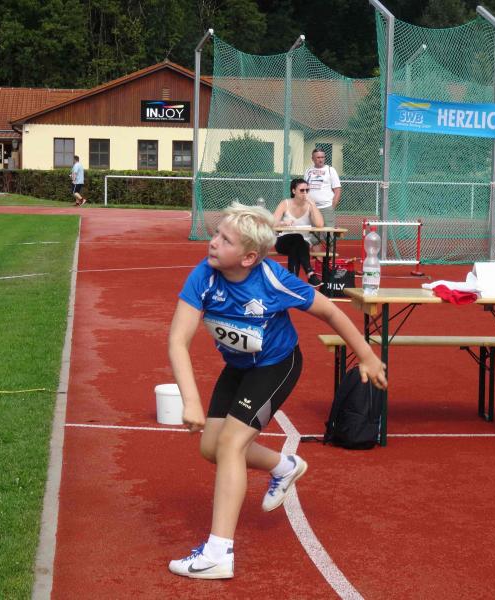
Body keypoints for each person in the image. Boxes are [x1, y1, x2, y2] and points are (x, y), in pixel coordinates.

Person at [167, 202, 387, 580]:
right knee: (211, 448)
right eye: (217, 234)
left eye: (226, 240)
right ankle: (284, 466)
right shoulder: (203, 276)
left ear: (249, 257)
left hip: (276, 366)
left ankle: (218, 553)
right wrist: (191, 401)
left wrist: (366, 356)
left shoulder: (272, 280)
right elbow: (177, 340)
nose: (214, 242)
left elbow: (330, 311)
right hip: (239, 367)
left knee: (230, 445)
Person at [273, 178, 325, 287]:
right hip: (284, 241)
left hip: (303, 244)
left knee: (297, 244)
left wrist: (313, 205)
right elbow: (272, 222)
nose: (305, 193)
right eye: (302, 190)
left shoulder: (310, 205)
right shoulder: (285, 203)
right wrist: (283, 223)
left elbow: (320, 224)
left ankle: (293, 281)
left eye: (307, 190)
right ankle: (310, 273)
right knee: (297, 238)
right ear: (293, 191)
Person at [304, 148, 341, 228]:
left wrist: (332, 207)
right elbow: (304, 189)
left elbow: (337, 190)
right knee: (312, 234)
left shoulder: (330, 170)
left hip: (326, 208)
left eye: (322, 157)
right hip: (311, 208)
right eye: (318, 157)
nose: (321, 160)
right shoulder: (308, 171)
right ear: (312, 159)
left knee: (328, 233)